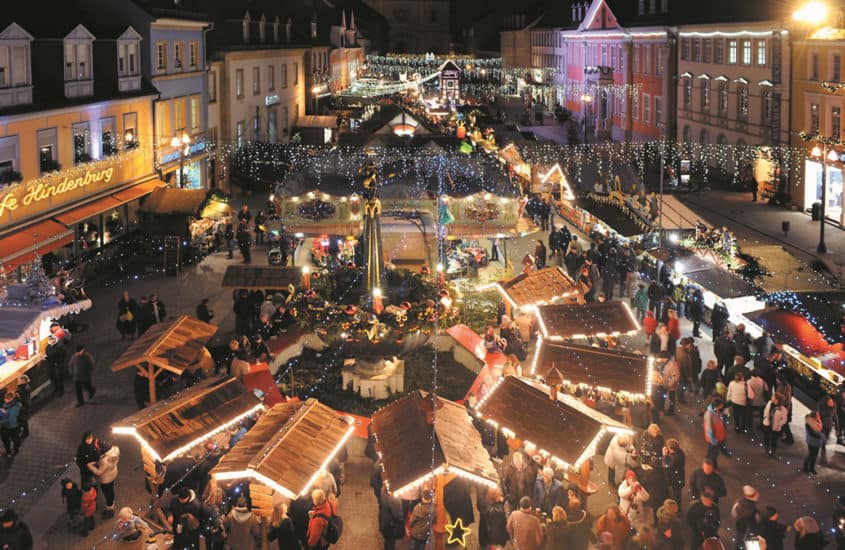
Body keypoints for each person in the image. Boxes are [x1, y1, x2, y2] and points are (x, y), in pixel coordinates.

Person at [88, 442, 120, 518]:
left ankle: (110, 509)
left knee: (107, 493)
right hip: (113, 473)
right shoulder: (115, 450)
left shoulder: (104, 461)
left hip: (106, 479)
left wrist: (91, 466)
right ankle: (111, 503)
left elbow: (99, 472)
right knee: (111, 490)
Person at [378, 485, 405, 550]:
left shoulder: (382, 490)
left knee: (386, 540)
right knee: (390, 542)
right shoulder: (393, 498)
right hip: (390, 526)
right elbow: (398, 515)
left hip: (383, 521)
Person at [703, 397, 727, 470]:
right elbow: (709, 429)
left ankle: (712, 466)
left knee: (714, 453)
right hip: (713, 439)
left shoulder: (716, 411)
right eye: (720, 405)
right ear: (716, 406)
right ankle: (709, 467)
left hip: (718, 437)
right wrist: (713, 440)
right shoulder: (709, 414)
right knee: (711, 454)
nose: (721, 407)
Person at [762, 392, 788, 457]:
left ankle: (773, 452)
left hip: (775, 427)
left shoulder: (783, 409)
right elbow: (766, 410)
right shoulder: (769, 403)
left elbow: (784, 419)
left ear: (776, 399)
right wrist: (765, 417)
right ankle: (767, 451)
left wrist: (779, 424)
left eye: (773, 396)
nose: (771, 397)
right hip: (767, 424)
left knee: (774, 440)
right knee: (766, 438)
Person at [662, 439, 686, 506]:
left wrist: (665, 456)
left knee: (676, 494)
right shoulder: (680, 452)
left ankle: (677, 507)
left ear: (671, 449)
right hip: (679, 476)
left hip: (675, 479)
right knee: (677, 492)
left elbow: (667, 467)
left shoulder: (675, 458)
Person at [817, 396, 839, 465]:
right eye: (830, 402)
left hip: (828, 427)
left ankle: (822, 455)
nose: (831, 403)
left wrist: (837, 429)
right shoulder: (822, 406)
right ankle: (823, 458)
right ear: (827, 402)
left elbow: (835, 417)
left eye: (832, 402)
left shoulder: (834, 407)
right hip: (822, 426)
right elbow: (818, 415)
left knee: (825, 441)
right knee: (823, 442)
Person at [0, 392, 22, 456]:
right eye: (5, 398)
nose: (4, 400)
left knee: (15, 440)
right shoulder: (7, 403)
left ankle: (15, 450)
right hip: (5, 426)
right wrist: (3, 411)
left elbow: (11, 420)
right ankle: (8, 452)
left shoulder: (16, 407)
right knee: (5, 440)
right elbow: (6, 411)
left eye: (6, 399)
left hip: (13, 427)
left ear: (11, 399)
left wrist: (1, 421)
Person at [803, 410, 824, 475]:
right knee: (811, 455)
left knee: (815, 455)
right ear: (814, 416)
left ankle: (812, 468)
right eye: (817, 415)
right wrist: (820, 436)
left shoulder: (818, 421)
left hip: (817, 442)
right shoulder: (808, 423)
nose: (819, 416)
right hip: (811, 442)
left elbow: (820, 429)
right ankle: (805, 467)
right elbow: (811, 433)